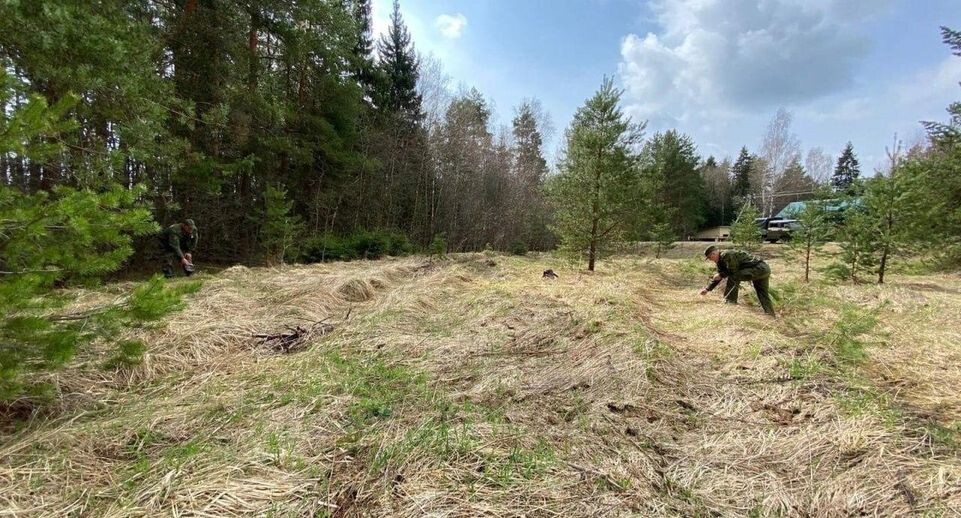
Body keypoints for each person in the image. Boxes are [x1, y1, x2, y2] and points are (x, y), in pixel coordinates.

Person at [699, 245, 775, 316]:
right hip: (762, 269)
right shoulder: (720, 262)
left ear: (714, 253)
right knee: (762, 292)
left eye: (709, 257)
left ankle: (730, 302)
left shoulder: (727, 255)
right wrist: (707, 289)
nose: (710, 260)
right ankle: (770, 314)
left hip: (759, 268)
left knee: (734, 276)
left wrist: (721, 275)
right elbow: (719, 277)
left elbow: (733, 271)